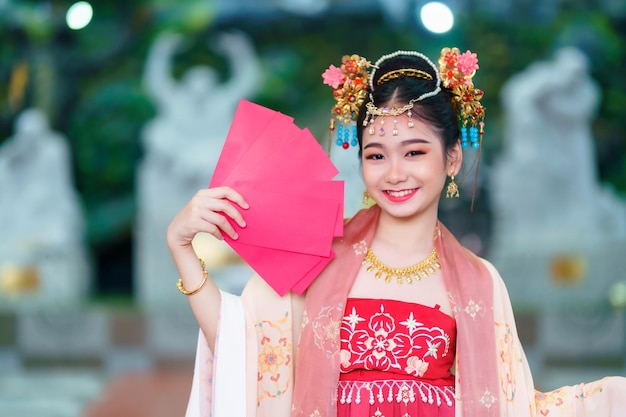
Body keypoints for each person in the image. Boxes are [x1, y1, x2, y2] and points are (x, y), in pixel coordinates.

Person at [166, 48, 626, 417]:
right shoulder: (316, 252)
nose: (394, 174)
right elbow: (244, 351)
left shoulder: (480, 282)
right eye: (376, 155)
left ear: (452, 160)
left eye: (414, 152)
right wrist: (182, 247)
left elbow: (514, 405)